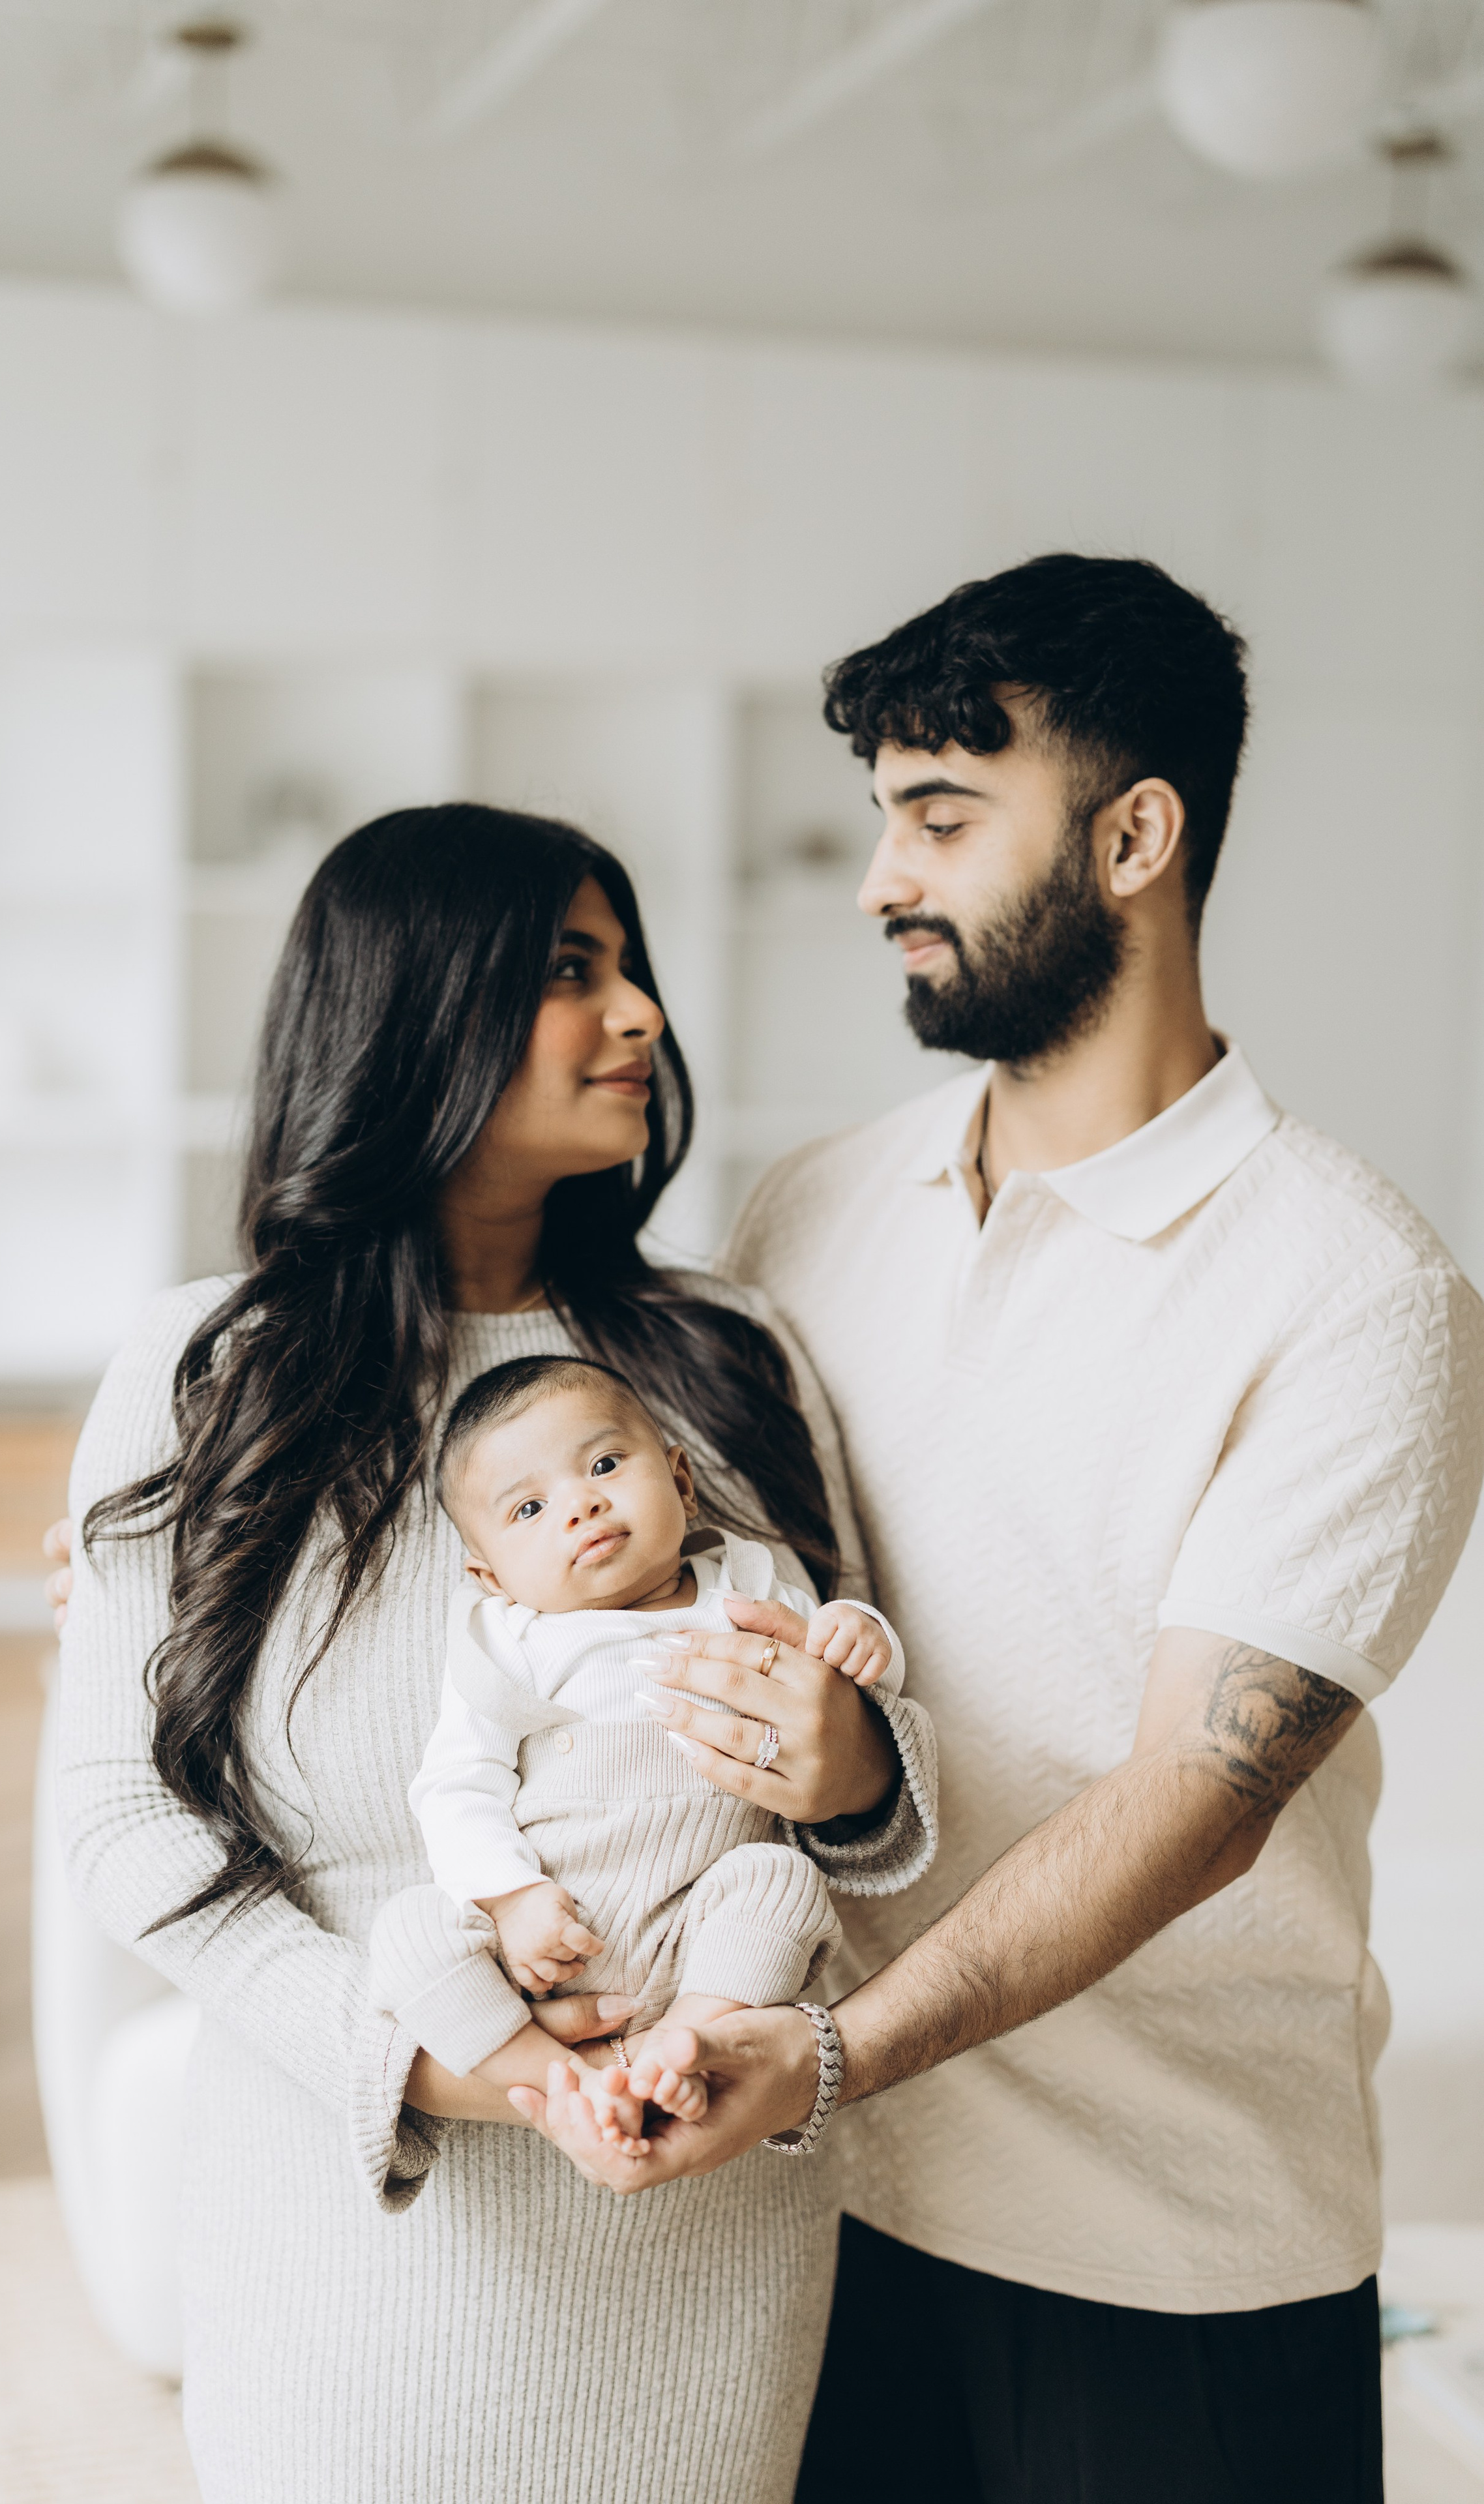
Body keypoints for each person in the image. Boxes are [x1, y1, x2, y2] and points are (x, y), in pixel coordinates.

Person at [516, 556, 1484, 2504]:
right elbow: (602, 1485)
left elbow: (1192, 1801)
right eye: (882, 813)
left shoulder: (1353, 1283)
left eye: (943, 816)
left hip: (1175, 2247)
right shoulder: (815, 1207)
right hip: (828, 2207)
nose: (883, 875)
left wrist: (840, 2050)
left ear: (1137, 834)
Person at [52, 804, 936, 2504]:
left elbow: (885, 1781)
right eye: (568, 971)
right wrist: (428, 2065)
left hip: (700, 2223)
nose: (641, 1018)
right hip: (350, 2210)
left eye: (633, 971)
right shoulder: (205, 1374)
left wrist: (853, 1770)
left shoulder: (731, 1359)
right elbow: (122, 1820)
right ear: (412, 1007)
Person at [364, 1352, 912, 2150]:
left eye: (605, 1464)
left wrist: (864, 1637)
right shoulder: (512, 1644)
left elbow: (860, 1693)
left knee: (780, 1882)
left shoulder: (749, 1596)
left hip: (701, 1927)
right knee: (408, 1933)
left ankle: (682, 2047)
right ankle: (562, 2081)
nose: (580, 1506)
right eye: (528, 1510)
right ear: (491, 1576)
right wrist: (511, 1900)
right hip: (545, 1941)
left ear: (681, 1482)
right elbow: (454, 1785)